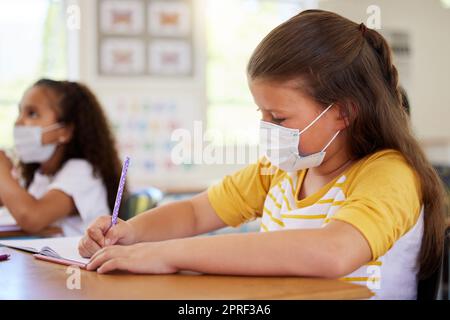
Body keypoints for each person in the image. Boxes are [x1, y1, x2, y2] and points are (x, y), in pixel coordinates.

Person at [78, 10, 447, 299]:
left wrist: (169, 254)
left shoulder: (390, 174)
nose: (267, 128)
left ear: (343, 112)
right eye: (262, 114)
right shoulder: (279, 171)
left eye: (279, 117)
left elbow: (333, 252)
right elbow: (195, 212)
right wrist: (129, 233)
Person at [0, 79, 124, 236]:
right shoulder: (41, 175)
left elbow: (31, 217)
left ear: (64, 131)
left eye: (32, 113)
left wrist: (1, 169)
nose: (18, 122)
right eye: (20, 112)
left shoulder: (81, 172)